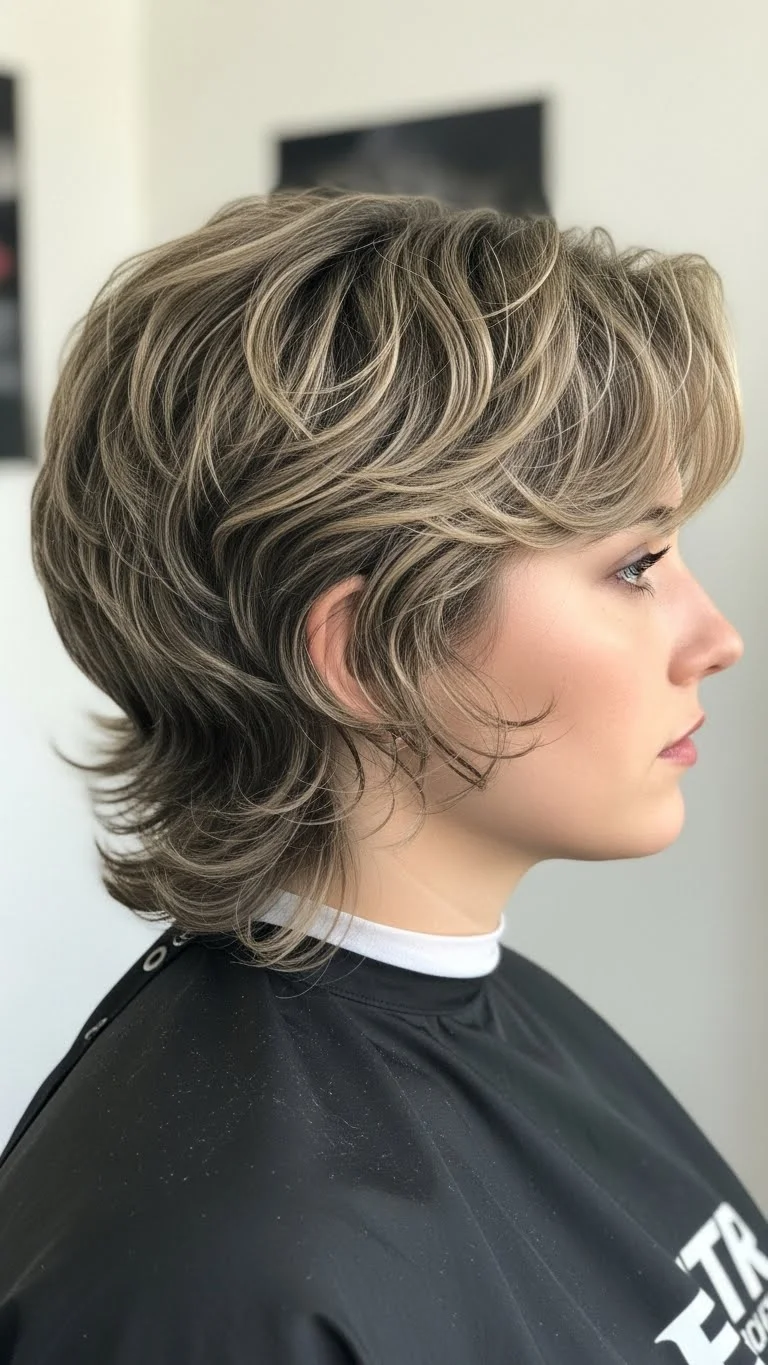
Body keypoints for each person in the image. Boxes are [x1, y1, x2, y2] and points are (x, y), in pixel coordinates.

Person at [0, 187, 762, 1364]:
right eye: (637, 563)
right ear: (367, 654)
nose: (717, 637)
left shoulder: (503, 1008)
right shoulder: (225, 1286)